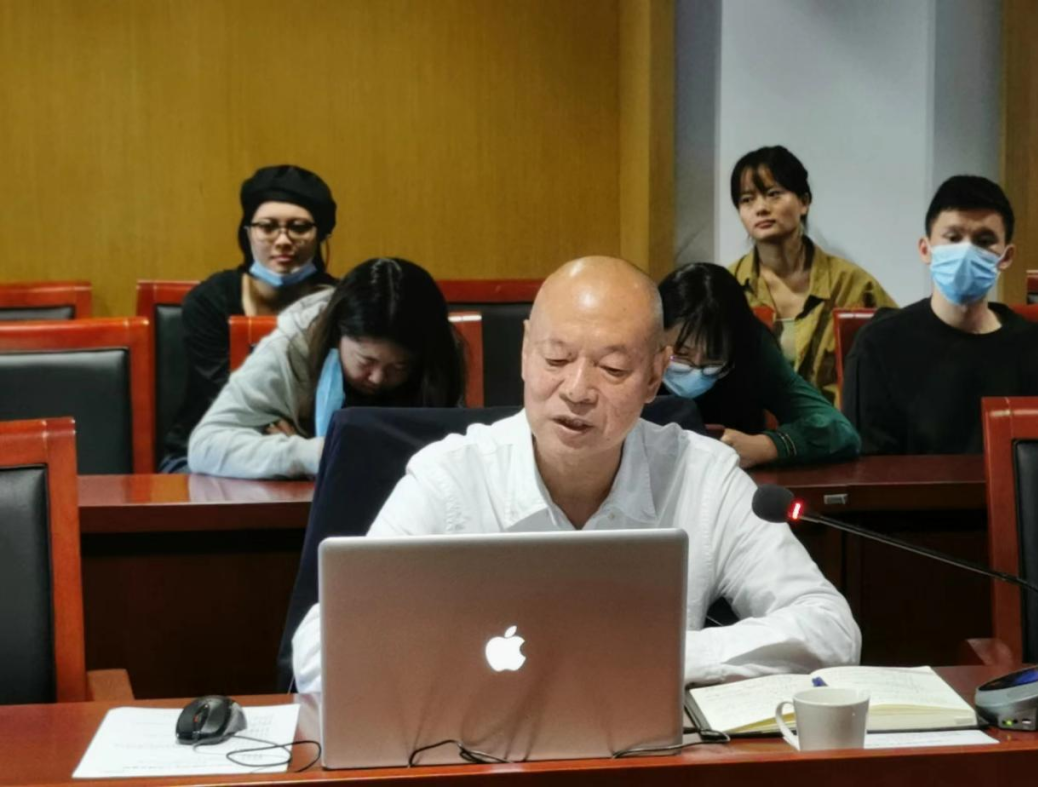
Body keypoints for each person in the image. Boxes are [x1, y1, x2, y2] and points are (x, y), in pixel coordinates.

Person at [291, 256, 861, 691]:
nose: (577, 390)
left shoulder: (703, 475)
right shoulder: (450, 477)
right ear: (524, 353)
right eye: (556, 359)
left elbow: (831, 629)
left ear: (655, 375)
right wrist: (470, 664)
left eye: (612, 368)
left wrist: (656, 656)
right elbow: (320, 648)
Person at [842, 175, 1038, 455]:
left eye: (984, 241)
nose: (967, 251)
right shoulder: (880, 344)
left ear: (1006, 257)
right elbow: (868, 466)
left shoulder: (1037, 346)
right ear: (925, 250)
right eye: (953, 238)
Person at [188, 257, 464, 479]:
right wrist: (310, 454)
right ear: (336, 333)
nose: (378, 378)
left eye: (400, 366)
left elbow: (450, 450)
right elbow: (205, 446)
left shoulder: (436, 354)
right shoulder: (292, 346)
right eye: (365, 361)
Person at [160, 165, 339, 471]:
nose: (283, 240)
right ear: (248, 233)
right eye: (267, 227)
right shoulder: (209, 300)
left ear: (320, 235)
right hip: (207, 452)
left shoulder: (337, 303)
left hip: (309, 446)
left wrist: (300, 445)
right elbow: (221, 391)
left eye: (299, 227)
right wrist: (275, 440)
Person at [727, 146, 895, 406]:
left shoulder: (853, 284)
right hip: (751, 428)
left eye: (773, 194)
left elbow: (899, 354)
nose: (760, 208)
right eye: (747, 199)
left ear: (804, 202)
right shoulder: (727, 287)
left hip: (836, 427)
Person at [659, 263, 859, 468]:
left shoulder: (752, 349)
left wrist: (770, 446)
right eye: (682, 353)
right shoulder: (642, 345)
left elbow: (839, 428)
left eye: (714, 358)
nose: (696, 369)